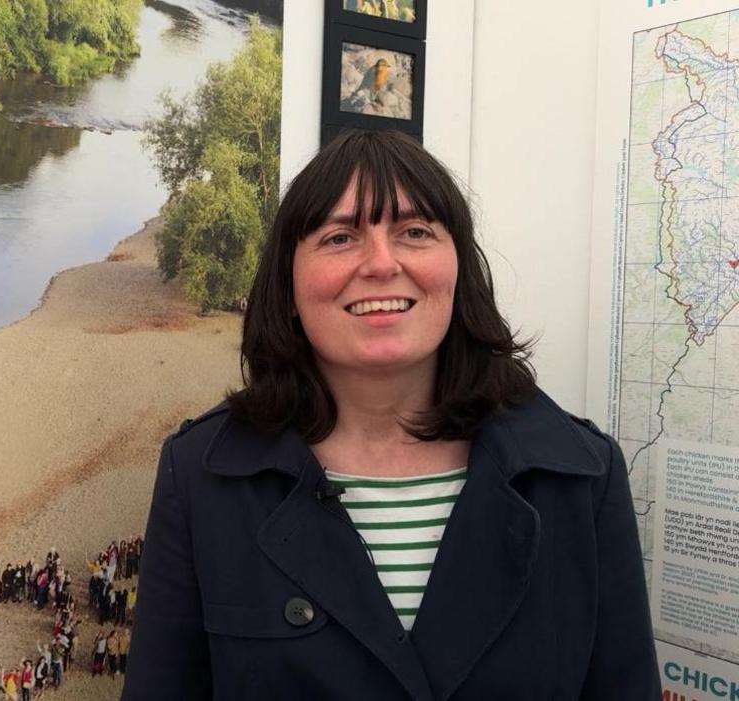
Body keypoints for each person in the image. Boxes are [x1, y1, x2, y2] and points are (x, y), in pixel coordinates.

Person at [121, 129, 659, 699]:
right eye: (339, 237)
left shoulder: (581, 478)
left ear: (459, 270)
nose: (381, 263)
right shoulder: (203, 476)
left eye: (415, 231)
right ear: (289, 281)